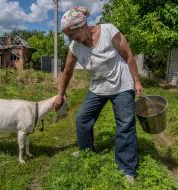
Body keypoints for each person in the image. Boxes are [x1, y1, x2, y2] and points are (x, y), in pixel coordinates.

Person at [53, 6, 144, 183]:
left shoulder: (108, 30)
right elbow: (67, 72)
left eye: (71, 34)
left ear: (81, 26)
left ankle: (127, 168)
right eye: (68, 36)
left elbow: (129, 56)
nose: (70, 39)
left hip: (122, 84)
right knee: (82, 119)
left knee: (125, 125)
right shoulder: (75, 47)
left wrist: (137, 81)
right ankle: (86, 150)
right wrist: (60, 94)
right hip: (98, 87)